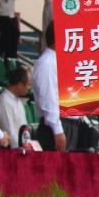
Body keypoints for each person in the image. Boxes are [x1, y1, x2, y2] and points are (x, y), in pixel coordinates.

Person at [31, 24, 71, 152]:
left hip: (67, 123)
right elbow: (48, 97)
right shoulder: (46, 63)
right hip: (56, 126)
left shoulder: (59, 60)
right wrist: (57, 129)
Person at [0, 67, 31, 147]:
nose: (29, 88)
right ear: (20, 85)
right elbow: (9, 132)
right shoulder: (4, 101)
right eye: (28, 85)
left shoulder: (18, 101)